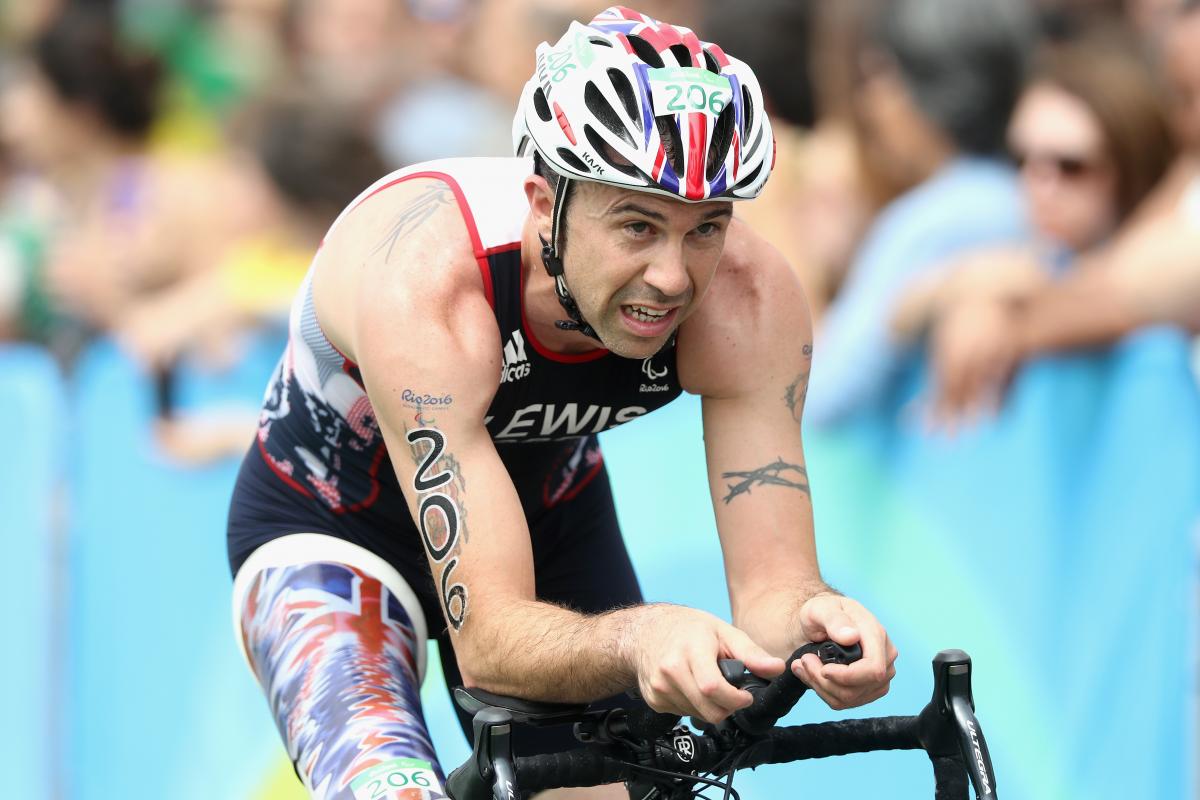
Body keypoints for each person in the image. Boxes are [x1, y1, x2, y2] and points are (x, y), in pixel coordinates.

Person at [227, 7, 897, 799]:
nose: (674, 277)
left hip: (547, 521)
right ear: (544, 203)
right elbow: (490, 640)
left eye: (705, 229)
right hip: (337, 525)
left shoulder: (749, 300)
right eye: (637, 226)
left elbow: (774, 592)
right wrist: (642, 637)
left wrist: (818, 626)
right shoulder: (432, 284)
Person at [897, 16, 1194, 422]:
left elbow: (1142, 286)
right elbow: (899, 313)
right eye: (1024, 160)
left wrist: (1013, 311)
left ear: (1130, 161)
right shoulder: (1024, 254)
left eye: (1070, 166)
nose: (1041, 185)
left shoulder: (1171, 232)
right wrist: (976, 290)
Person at [802, 0, 1034, 428]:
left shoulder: (928, 221)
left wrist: (805, 274)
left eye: (882, 77)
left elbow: (819, 398)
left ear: (932, 85)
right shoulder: (1026, 196)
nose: (871, 104)